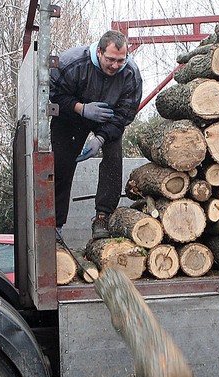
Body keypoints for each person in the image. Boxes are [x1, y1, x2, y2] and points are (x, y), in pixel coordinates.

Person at [49, 30, 143, 240]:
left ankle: (103, 216)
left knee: (113, 158)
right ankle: (55, 225)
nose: (115, 65)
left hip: (108, 119)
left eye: (121, 60)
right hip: (70, 117)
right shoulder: (71, 63)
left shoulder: (131, 74)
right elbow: (53, 95)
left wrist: (101, 137)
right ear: (99, 52)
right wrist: (80, 108)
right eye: (110, 59)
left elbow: (125, 114)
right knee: (61, 164)